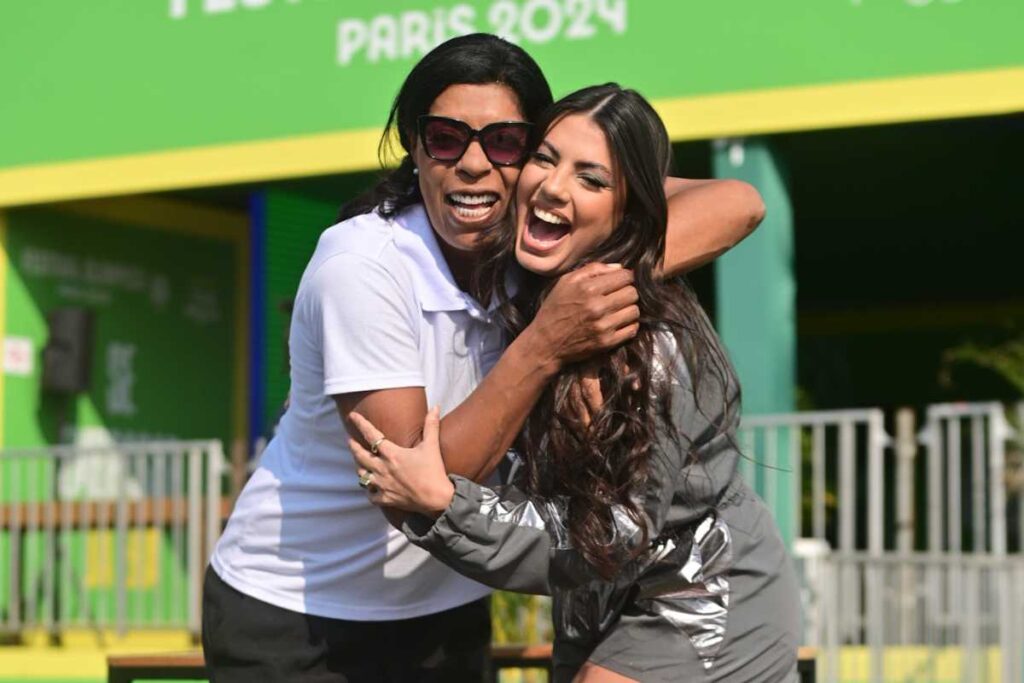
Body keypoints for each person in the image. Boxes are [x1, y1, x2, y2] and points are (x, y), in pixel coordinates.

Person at [204, 34, 766, 682]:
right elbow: (419, 478)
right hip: (299, 615)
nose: (474, 163)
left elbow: (738, 202)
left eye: (504, 142)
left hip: (446, 604)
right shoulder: (362, 267)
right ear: (416, 147)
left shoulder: (531, 249)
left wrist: (597, 276)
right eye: (446, 138)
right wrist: (547, 339)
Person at [347, 84, 800, 683]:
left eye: (592, 179)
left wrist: (448, 507)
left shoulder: (641, 349)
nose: (555, 188)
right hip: (598, 602)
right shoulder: (524, 291)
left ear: (628, 210)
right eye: (545, 158)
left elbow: (612, 536)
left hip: (702, 593)